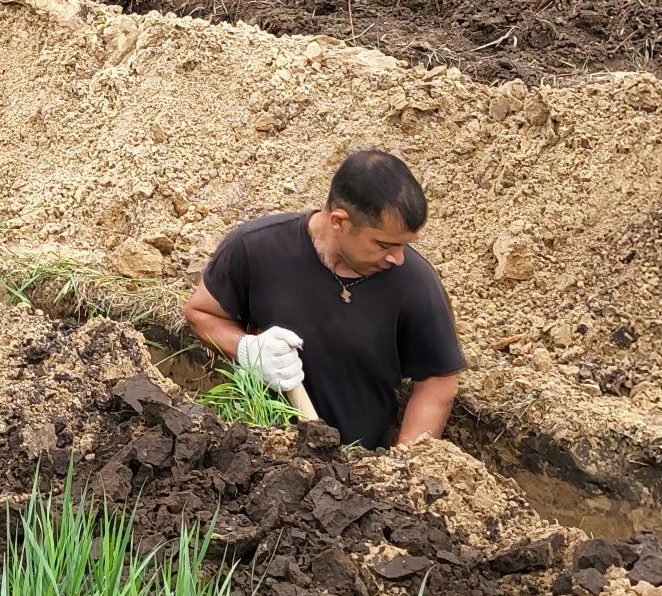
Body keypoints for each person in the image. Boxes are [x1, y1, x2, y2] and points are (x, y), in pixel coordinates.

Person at [181, 149, 463, 450]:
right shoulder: (256, 248)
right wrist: (246, 349)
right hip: (258, 458)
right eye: (383, 244)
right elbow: (200, 313)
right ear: (339, 221)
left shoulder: (415, 284)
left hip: (359, 473)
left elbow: (437, 381)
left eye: (404, 245)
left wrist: (404, 464)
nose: (397, 258)